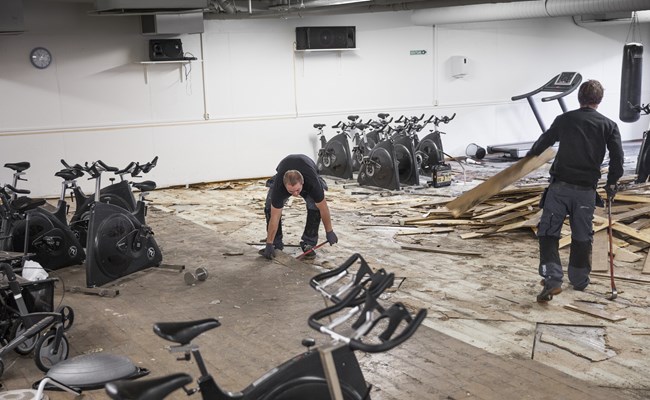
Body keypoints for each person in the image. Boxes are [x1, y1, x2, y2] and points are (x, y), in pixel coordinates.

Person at [526, 79, 624, 303]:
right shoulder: (609, 125)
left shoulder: (565, 119)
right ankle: (579, 280)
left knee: (549, 233)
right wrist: (612, 183)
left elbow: (544, 142)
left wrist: (529, 157)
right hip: (585, 192)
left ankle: (552, 278)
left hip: (559, 188)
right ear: (599, 100)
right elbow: (617, 158)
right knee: (582, 236)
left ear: (579, 98)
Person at [261, 154, 338, 260]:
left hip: (309, 169)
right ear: (284, 185)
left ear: (302, 183)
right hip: (284, 169)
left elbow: (323, 208)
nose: (295, 194)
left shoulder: (312, 183)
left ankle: (308, 243)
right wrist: (269, 243)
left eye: (297, 190)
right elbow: (275, 216)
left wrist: (329, 231)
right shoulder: (279, 188)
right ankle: (275, 243)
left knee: (315, 207)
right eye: (291, 191)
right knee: (270, 207)